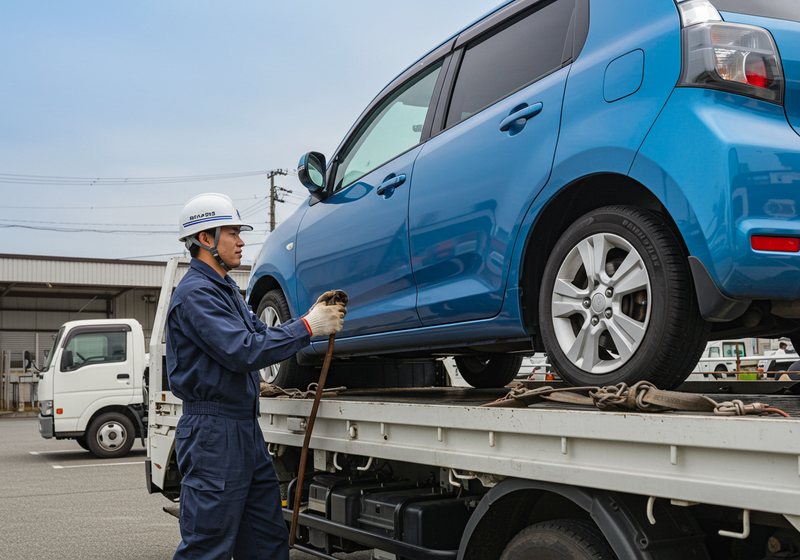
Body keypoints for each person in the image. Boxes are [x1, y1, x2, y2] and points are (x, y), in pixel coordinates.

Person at [167, 193, 347, 560]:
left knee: (266, 540)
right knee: (208, 546)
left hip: (243, 428)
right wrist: (309, 328)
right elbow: (243, 350)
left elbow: (260, 338)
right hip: (213, 434)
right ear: (205, 239)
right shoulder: (196, 293)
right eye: (232, 232)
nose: (241, 240)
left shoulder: (226, 290)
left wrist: (306, 318)